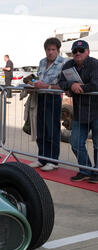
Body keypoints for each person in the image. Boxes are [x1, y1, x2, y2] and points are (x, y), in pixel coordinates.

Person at [58, 40, 98, 183]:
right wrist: (71, 85)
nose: (78, 53)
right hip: (80, 112)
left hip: (96, 111)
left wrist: (80, 88)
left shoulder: (95, 64)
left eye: (81, 50)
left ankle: (97, 172)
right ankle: (86, 170)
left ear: (88, 52)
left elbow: (96, 84)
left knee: (97, 144)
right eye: (75, 51)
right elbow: (61, 82)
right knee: (75, 143)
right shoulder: (68, 65)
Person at [28, 38, 66, 172]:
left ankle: (53, 160)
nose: (50, 52)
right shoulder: (42, 62)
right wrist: (32, 83)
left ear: (58, 50)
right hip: (40, 97)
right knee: (41, 129)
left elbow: (64, 85)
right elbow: (39, 79)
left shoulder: (64, 63)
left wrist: (47, 85)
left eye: (53, 49)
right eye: (48, 49)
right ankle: (42, 158)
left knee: (52, 130)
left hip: (54, 98)